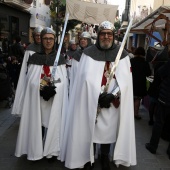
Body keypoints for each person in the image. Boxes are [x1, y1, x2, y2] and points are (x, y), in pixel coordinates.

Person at [60, 21, 136, 170]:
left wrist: (112, 95)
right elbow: (84, 80)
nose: (106, 36)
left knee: (109, 132)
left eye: (109, 34)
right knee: (90, 129)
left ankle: (104, 156)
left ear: (113, 36)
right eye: (103, 33)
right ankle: (90, 157)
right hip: (91, 102)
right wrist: (97, 94)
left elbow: (126, 83)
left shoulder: (123, 55)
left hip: (112, 103)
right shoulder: (88, 54)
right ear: (98, 35)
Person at [11, 27, 68, 161]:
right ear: (41, 40)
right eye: (45, 38)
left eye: (51, 38)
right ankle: (37, 149)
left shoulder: (59, 58)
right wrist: (40, 87)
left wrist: (54, 88)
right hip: (37, 98)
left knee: (53, 122)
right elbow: (30, 80)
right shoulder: (34, 58)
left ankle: (52, 150)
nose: (48, 41)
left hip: (54, 97)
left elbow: (63, 80)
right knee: (38, 122)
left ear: (54, 41)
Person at [145, 56, 170, 159]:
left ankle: (153, 146)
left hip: (165, 97)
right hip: (166, 96)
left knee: (159, 123)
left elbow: (160, 72)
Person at [130, 47, 151, 120]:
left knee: (130, 98)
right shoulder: (145, 62)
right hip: (140, 83)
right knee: (137, 99)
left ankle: (129, 113)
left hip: (131, 82)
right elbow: (149, 73)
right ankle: (136, 114)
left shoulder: (131, 61)